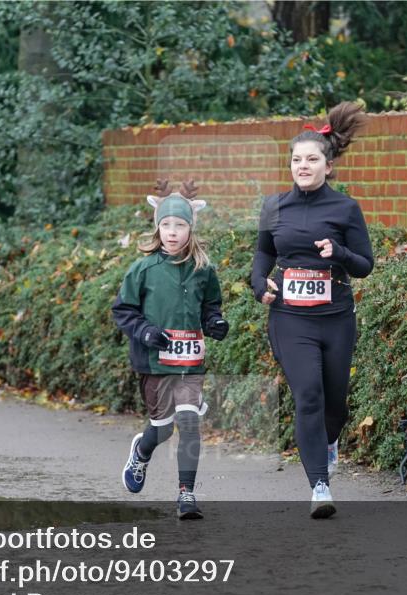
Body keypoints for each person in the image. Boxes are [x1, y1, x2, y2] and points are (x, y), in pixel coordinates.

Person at [250, 102, 374, 518]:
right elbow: (262, 257)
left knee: (334, 404)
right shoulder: (274, 207)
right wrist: (258, 285)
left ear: (328, 164)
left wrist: (338, 251)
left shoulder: (345, 209)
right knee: (308, 396)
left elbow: (365, 266)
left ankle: (330, 440)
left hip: (336, 318)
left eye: (311, 159)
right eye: (296, 160)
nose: (303, 166)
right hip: (290, 317)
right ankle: (319, 485)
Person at [113, 179, 229, 519]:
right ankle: (142, 449)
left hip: (190, 362)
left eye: (180, 225)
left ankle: (186, 494)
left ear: (191, 228)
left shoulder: (203, 270)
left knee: (190, 423)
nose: (173, 232)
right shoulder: (143, 270)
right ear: (158, 228)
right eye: (166, 225)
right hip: (155, 362)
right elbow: (122, 311)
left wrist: (215, 323)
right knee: (163, 428)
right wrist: (146, 332)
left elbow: (211, 307)